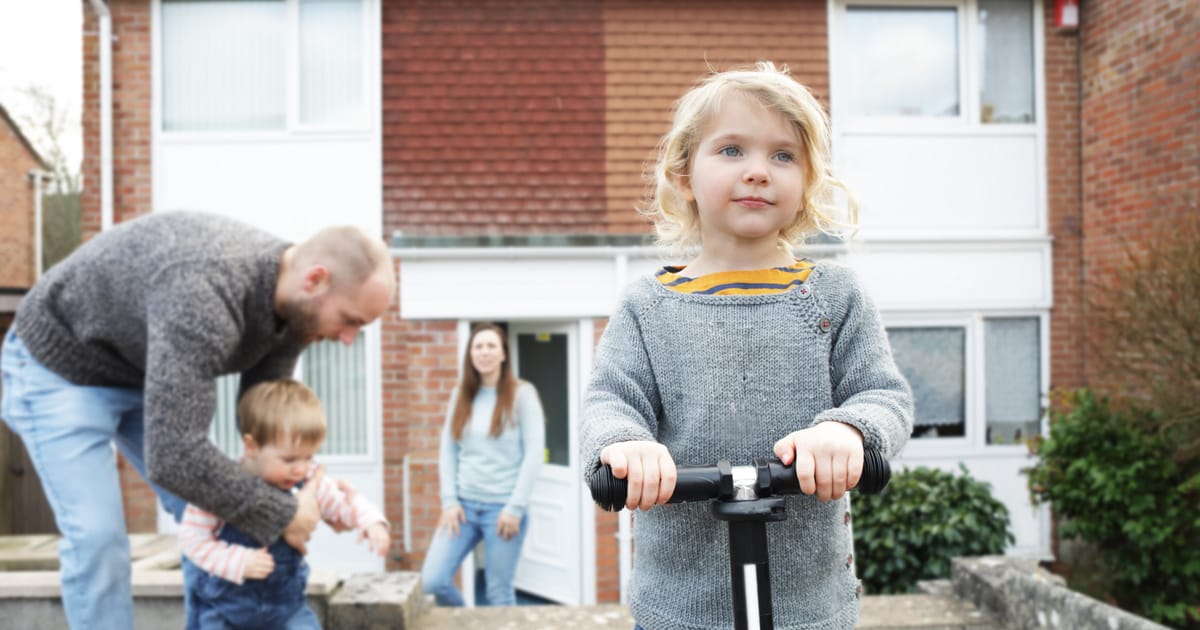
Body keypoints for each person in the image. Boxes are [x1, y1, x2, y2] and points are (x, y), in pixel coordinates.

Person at [580, 62, 914, 630]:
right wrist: (625, 444)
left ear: (808, 179)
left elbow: (882, 393)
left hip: (808, 607)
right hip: (679, 608)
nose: (759, 171)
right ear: (684, 174)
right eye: (732, 150)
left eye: (783, 156)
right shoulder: (648, 306)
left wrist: (849, 431)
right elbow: (609, 400)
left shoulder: (834, 295)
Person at [0, 211, 395, 629]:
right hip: (60, 364)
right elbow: (175, 457)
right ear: (315, 280)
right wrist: (285, 513)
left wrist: (309, 491)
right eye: (351, 320)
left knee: (211, 509)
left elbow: (265, 430)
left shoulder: (293, 309)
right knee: (98, 538)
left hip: (139, 369)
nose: (349, 339)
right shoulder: (203, 292)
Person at [179, 379, 390, 629]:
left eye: (309, 457)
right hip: (226, 611)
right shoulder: (220, 486)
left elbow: (342, 504)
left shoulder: (307, 481)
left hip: (285, 611)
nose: (301, 468)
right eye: (289, 459)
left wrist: (370, 520)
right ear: (251, 446)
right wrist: (237, 561)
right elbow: (191, 540)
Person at [421, 323, 545, 607]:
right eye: (478, 346)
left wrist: (515, 508)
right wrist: (449, 501)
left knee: (498, 594)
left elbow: (534, 454)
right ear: (470, 355)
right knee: (432, 580)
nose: (484, 352)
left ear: (503, 354)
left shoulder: (522, 395)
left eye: (491, 346)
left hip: (503, 511)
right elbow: (448, 450)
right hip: (462, 508)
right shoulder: (462, 394)